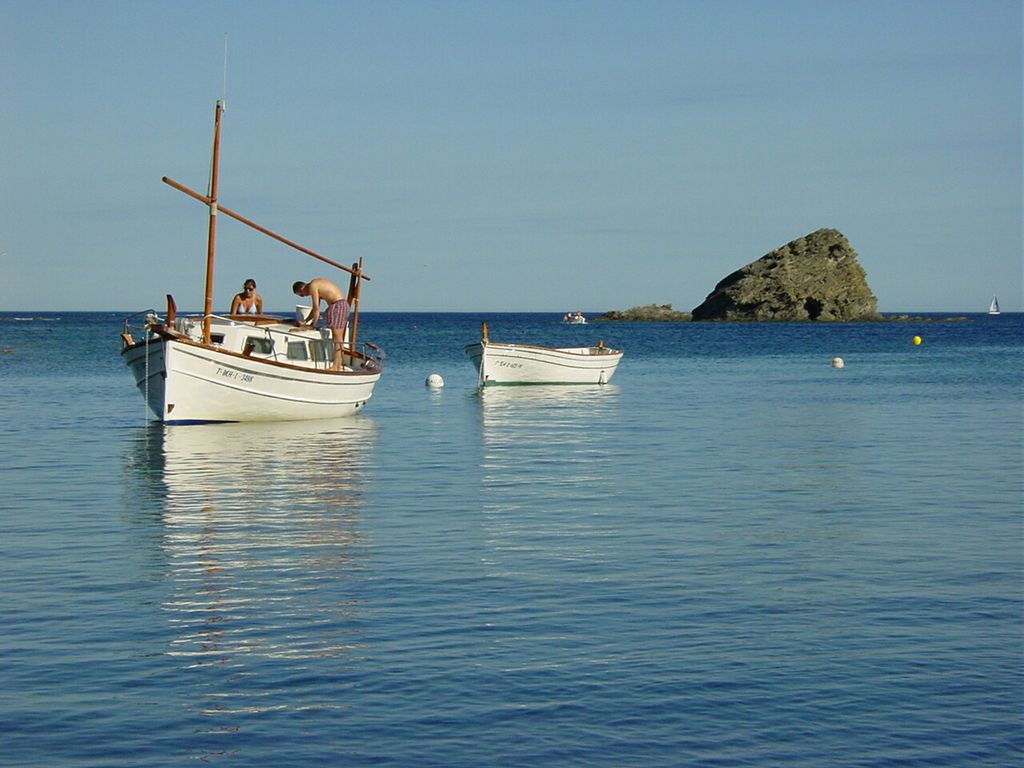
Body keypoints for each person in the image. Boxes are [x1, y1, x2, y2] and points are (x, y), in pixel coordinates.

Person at [292, 278, 349, 371]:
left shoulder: (312, 286)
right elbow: (314, 310)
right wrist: (305, 321)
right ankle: (339, 364)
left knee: (337, 338)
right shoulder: (316, 284)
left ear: (301, 290)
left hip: (337, 306)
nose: (305, 296)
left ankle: (336, 366)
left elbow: (316, 308)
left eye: (302, 295)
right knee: (339, 338)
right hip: (342, 304)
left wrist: (312, 325)